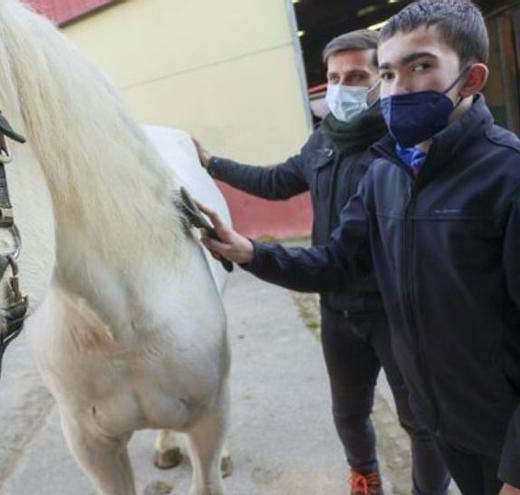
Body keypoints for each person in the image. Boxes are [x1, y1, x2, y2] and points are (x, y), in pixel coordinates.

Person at [196, 1, 520, 493]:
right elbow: (335, 259)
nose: (398, 88)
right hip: (443, 420)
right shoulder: (386, 171)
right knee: (358, 412)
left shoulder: (507, 177)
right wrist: (251, 253)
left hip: (501, 434)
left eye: (421, 66)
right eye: (388, 73)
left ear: (472, 79)